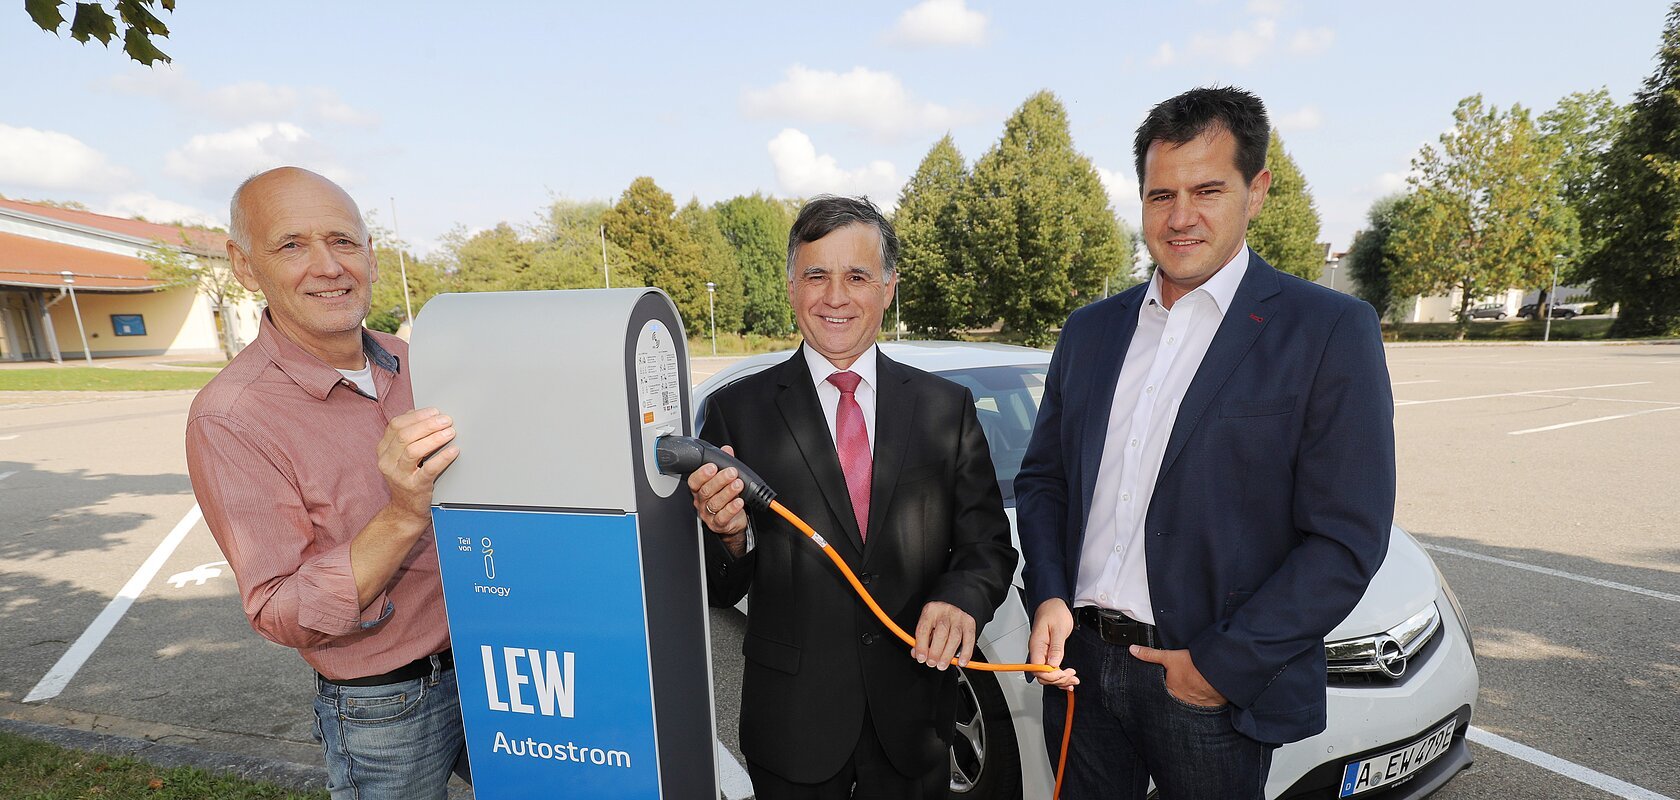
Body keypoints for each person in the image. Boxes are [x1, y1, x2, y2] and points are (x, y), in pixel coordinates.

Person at [1016, 87, 1396, 799]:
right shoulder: (1090, 331)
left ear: (1257, 191)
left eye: (1207, 190)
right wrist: (1049, 595)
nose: (1180, 217)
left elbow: (1346, 539)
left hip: (1207, 688)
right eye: (1161, 195)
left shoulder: (1327, 331)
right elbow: (1044, 482)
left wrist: (1222, 667)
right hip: (1082, 674)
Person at [688, 195, 1016, 799]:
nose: (835, 297)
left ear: (888, 288)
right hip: (793, 725)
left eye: (857, 276)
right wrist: (729, 535)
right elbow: (715, 586)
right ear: (791, 286)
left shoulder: (946, 409)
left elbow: (989, 546)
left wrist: (961, 601)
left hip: (915, 721)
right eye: (817, 275)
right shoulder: (738, 413)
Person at [185, 167, 467, 800]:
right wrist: (401, 515)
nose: (328, 266)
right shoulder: (231, 417)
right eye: (292, 245)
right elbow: (279, 610)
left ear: (369, 253)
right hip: (387, 705)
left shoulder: (418, 361)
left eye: (343, 241)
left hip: (494, 661)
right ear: (244, 264)